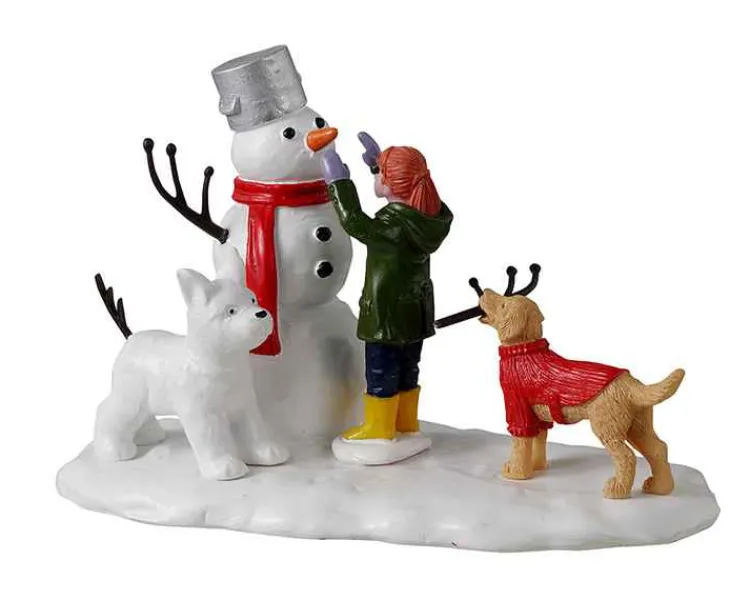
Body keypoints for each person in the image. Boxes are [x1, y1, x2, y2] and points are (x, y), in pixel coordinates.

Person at [322, 133, 453, 445]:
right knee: (408, 366)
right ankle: (405, 422)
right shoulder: (429, 220)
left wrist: (339, 184)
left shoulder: (391, 226)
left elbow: (354, 221)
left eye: (380, 174)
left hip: (387, 313)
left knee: (381, 370)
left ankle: (379, 427)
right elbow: (400, 195)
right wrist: (379, 166)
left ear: (389, 183)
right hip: (415, 310)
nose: (376, 178)